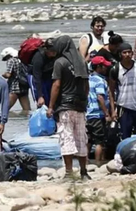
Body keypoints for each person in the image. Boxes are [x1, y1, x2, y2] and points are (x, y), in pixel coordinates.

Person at [45, 36, 91, 180]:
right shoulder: (82, 62)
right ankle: (84, 172)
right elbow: (86, 86)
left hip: (65, 106)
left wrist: (51, 106)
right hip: (80, 106)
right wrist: (83, 101)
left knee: (67, 138)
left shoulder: (60, 62)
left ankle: (69, 173)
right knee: (81, 139)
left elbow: (56, 85)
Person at [109, 43, 136, 139]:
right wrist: (113, 111)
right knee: (125, 136)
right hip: (124, 108)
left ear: (132, 53)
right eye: (124, 52)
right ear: (120, 54)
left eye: (129, 52)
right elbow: (111, 91)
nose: (127, 54)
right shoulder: (115, 69)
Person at [86, 56, 112, 163]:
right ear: (98, 67)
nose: (106, 68)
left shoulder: (88, 79)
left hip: (87, 114)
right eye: (104, 66)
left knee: (88, 140)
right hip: (98, 114)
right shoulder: (100, 81)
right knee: (99, 141)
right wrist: (107, 113)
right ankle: (98, 163)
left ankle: (86, 163)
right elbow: (100, 97)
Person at [31, 39, 55, 107]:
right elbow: (37, 77)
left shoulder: (55, 56)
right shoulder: (38, 57)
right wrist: (40, 96)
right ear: (46, 49)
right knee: (42, 103)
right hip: (38, 79)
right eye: (51, 50)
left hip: (49, 78)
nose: (54, 52)